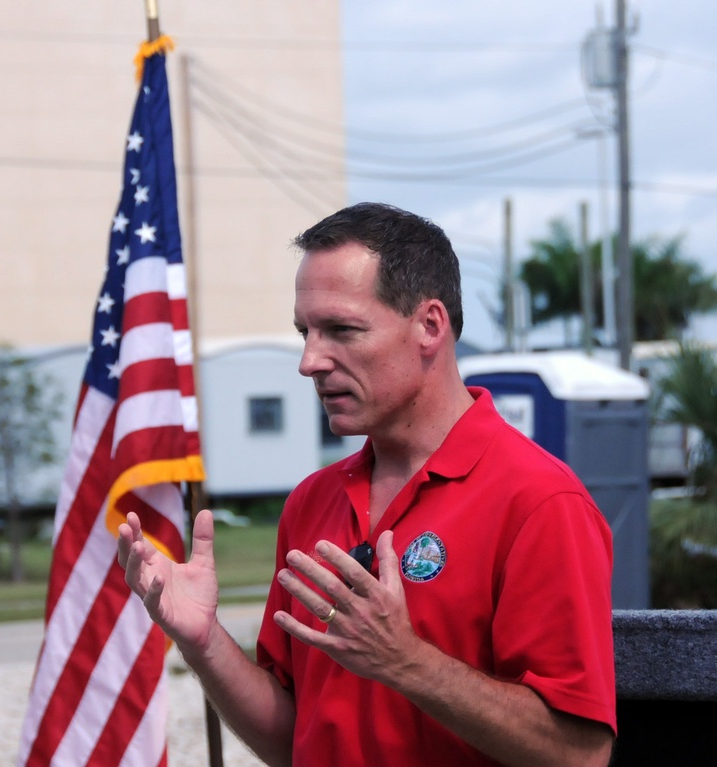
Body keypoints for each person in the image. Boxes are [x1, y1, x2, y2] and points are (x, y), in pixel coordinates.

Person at [118, 202, 616, 766]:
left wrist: (406, 662)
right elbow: (292, 739)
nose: (309, 361)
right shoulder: (312, 500)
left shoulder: (540, 501)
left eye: (342, 330)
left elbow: (581, 755)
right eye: (306, 331)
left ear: (429, 326)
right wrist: (203, 639)